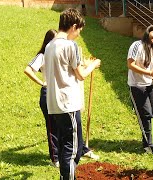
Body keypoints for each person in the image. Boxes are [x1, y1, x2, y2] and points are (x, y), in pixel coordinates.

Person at [44, 8, 101, 179]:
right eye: (79, 31)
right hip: (68, 104)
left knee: (64, 145)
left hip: (54, 104)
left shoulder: (49, 46)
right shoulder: (70, 45)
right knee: (73, 149)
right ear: (74, 26)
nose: (78, 35)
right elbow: (81, 75)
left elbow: (66, 71)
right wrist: (93, 65)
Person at [127, 25, 153, 155]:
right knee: (146, 115)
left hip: (152, 85)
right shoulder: (137, 45)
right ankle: (149, 145)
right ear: (148, 32)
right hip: (138, 86)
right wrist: (149, 73)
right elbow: (130, 64)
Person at [24, 29, 59, 167]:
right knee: (52, 126)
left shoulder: (57, 55)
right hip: (47, 93)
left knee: (61, 125)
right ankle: (55, 158)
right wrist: (41, 83)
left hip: (58, 94)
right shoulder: (43, 56)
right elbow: (28, 70)